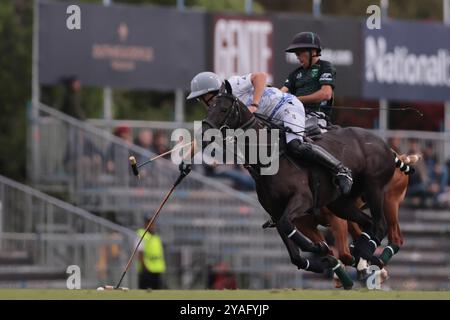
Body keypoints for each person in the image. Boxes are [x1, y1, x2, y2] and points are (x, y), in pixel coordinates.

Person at [185, 71, 353, 195]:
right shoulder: (220, 110)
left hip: (284, 106)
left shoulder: (232, 85)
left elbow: (260, 76)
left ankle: (340, 169)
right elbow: (204, 136)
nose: (202, 102)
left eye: (202, 97)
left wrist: (255, 105)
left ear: (213, 91)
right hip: (268, 123)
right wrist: (187, 159)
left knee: (295, 145)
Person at [281, 32, 335, 126]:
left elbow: (326, 94)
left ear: (313, 52)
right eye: (296, 54)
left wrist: (296, 100)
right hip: (295, 115)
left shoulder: (325, 67)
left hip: (317, 118)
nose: (297, 57)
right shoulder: (295, 73)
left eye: (299, 53)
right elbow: (281, 94)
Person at [136, 217, 166, 289]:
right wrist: (144, 266)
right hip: (146, 270)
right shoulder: (141, 234)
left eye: (153, 223)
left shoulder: (156, 236)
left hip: (157, 269)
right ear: (145, 224)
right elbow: (140, 252)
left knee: (157, 292)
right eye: (150, 223)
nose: (152, 225)